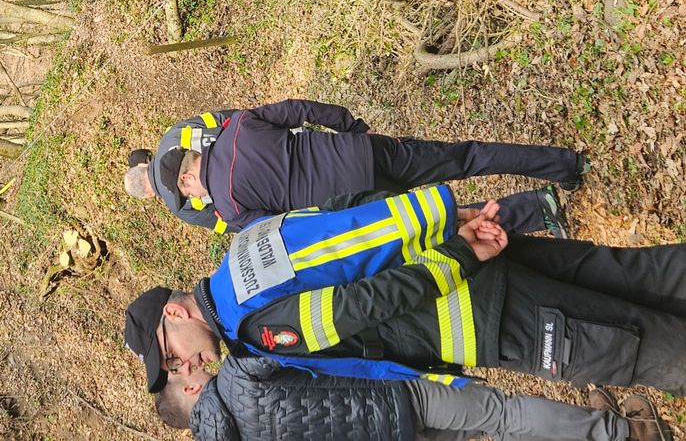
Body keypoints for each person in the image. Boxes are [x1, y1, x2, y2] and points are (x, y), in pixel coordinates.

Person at [124, 188, 686, 398]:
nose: (185, 367)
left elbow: (368, 305)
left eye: (171, 356)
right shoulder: (244, 250)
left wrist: (458, 253)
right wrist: (447, 220)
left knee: (639, 349)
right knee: (636, 274)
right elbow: (350, 220)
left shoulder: (255, 328)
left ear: (175, 313)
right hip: (475, 260)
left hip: (481, 312)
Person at [123, 99, 586, 234]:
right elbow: (300, 108)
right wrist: (353, 126)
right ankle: (563, 165)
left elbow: (287, 228)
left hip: (359, 204)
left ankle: (537, 208)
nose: (194, 198)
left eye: (189, 194)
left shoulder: (228, 207)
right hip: (363, 152)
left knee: (450, 219)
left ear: (186, 178)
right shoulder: (238, 126)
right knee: (467, 157)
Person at [157, 352, 669, 440]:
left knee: (491, 429)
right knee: (503, 413)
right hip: (393, 397)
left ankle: (590, 431)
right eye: (187, 373)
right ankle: (624, 432)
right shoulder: (239, 378)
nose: (197, 365)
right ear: (193, 391)